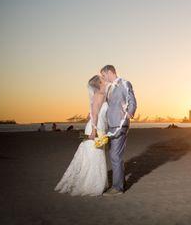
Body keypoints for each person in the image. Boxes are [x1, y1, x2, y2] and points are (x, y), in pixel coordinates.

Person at [54, 75, 109, 196]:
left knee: (97, 154)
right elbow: (94, 115)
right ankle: (92, 184)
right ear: (99, 83)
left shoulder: (103, 95)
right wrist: (94, 131)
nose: (105, 81)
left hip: (100, 126)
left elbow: (93, 113)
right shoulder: (98, 95)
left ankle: (97, 182)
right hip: (95, 128)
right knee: (94, 154)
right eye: (102, 80)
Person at [100, 64, 137, 196]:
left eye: (104, 75)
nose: (103, 78)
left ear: (109, 72)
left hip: (120, 125)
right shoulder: (109, 88)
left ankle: (117, 188)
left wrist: (128, 114)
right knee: (115, 156)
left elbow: (132, 101)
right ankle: (120, 183)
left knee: (115, 156)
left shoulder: (125, 83)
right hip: (111, 125)